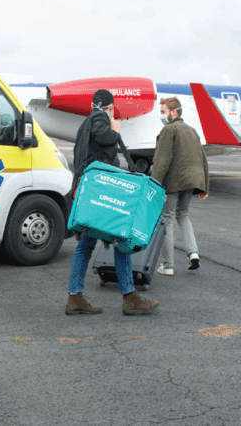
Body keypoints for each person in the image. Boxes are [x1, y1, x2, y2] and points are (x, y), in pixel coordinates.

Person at [66, 89, 159, 315]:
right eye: (112, 111)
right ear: (110, 107)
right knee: (120, 237)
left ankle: (75, 296)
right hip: (100, 192)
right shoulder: (100, 117)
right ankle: (129, 297)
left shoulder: (85, 122)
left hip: (88, 192)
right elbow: (103, 136)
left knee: (86, 244)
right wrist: (114, 130)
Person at [151, 96, 209, 276]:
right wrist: (205, 186)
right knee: (183, 215)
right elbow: (203, 158)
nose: (161, 116)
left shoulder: (169, 130)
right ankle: (193, 253)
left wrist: (154, 184)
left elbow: (162, 161)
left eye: (163, 112)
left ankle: (168, 265)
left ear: (173, 112)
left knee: (166, 218)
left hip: (174, 181)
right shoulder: (192, 130)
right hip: (192, 181)